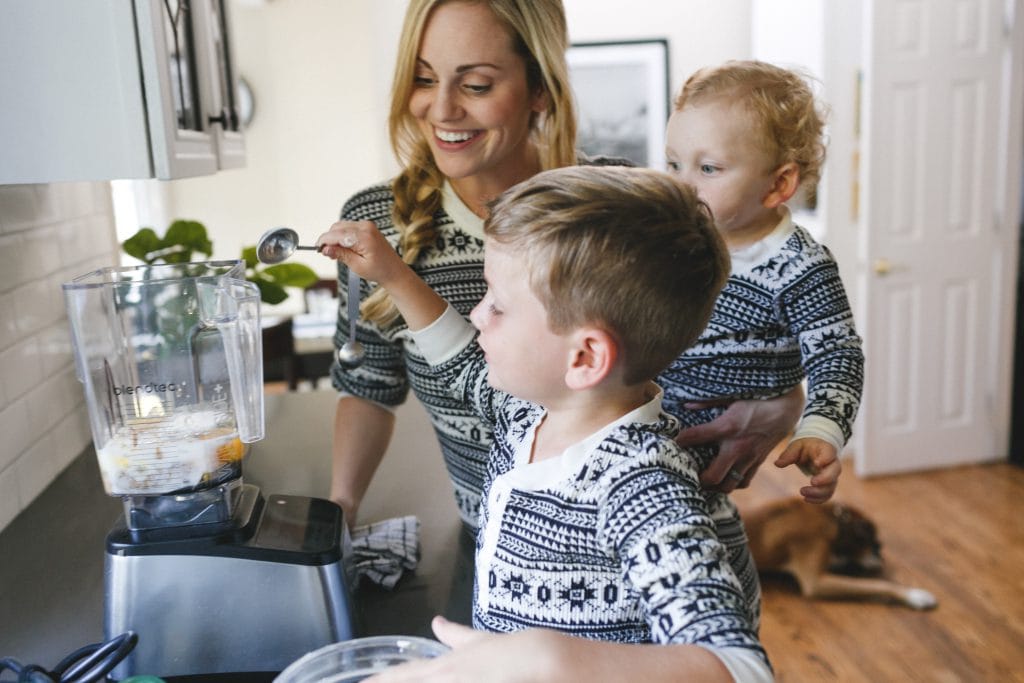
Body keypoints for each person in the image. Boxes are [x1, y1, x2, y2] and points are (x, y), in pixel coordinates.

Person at [329, 0, 803, 536]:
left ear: (539, 88)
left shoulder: (618, 208)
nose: (441, 110)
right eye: (422, 78)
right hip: (498, 547)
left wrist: (785, 403)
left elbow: (717, 331)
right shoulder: (376, 227)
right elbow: (371, 385)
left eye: (476, 85)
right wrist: (340, 508)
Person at [319, 165, 772, 682]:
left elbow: (741, 668)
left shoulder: (639, 486)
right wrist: (395, 277)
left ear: (584, 358)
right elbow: (463, 362)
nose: (478, 313)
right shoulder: (533, 410)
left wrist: (546, 661)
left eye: (499, 305)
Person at [661, 60, 865, 505]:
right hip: (644, 420)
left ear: (778, 184)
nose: (682, 185)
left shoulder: (799, 268)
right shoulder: (675, 235)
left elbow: (837, 354)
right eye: (674, 164)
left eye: (708, 169)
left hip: (707, 454)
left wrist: (821, 427)